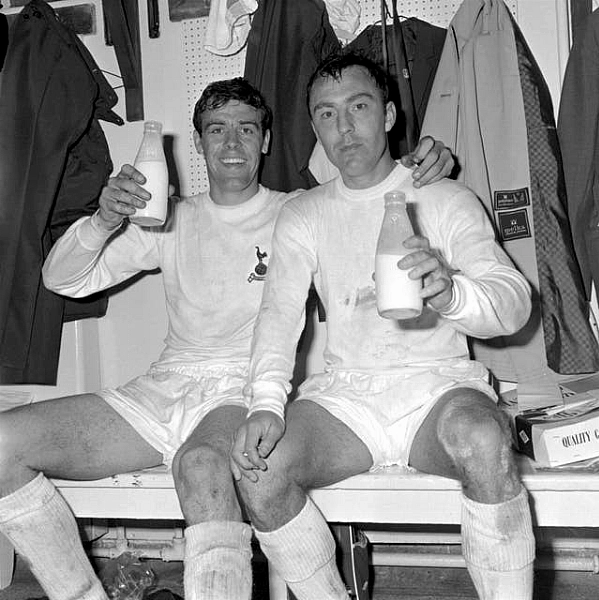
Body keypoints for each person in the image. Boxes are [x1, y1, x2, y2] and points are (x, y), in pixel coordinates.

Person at [0, 76, 453, 600]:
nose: (232, 144)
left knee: (201, 464)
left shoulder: (299, 210)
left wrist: (430, 164)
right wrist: (103, 220)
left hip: (247, 389)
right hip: (166, 387)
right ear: (198, 143)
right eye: (217, 130)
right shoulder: (171, 218)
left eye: (246, 129)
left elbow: (378, 196)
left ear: (265, 140)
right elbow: (63, 279)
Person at [231, 52, 535, 600]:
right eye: (326, 114)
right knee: (260, 469)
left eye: (359, 106)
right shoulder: (304, 213)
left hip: (438, 386)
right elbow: (278, 315)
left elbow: (514, 303)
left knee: (484, 440)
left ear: (390, 115)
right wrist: (264, 403)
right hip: (349, 398)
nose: (344, 127)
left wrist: (451, 291)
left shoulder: (443, 196)